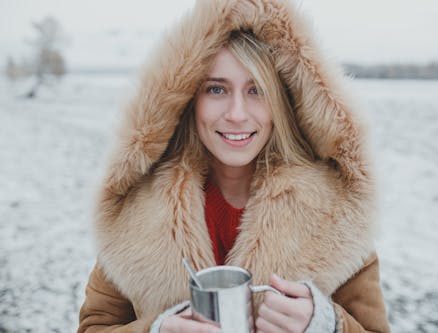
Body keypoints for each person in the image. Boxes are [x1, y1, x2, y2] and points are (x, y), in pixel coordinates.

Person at [77, 0, 391, 332]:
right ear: (188, 100)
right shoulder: (137, 208)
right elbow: (95, 326)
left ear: (281, 104)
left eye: (257, 90)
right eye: (216, 89)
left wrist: (327, 325)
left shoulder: (336, 210)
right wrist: (156, 329)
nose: (237, 114)